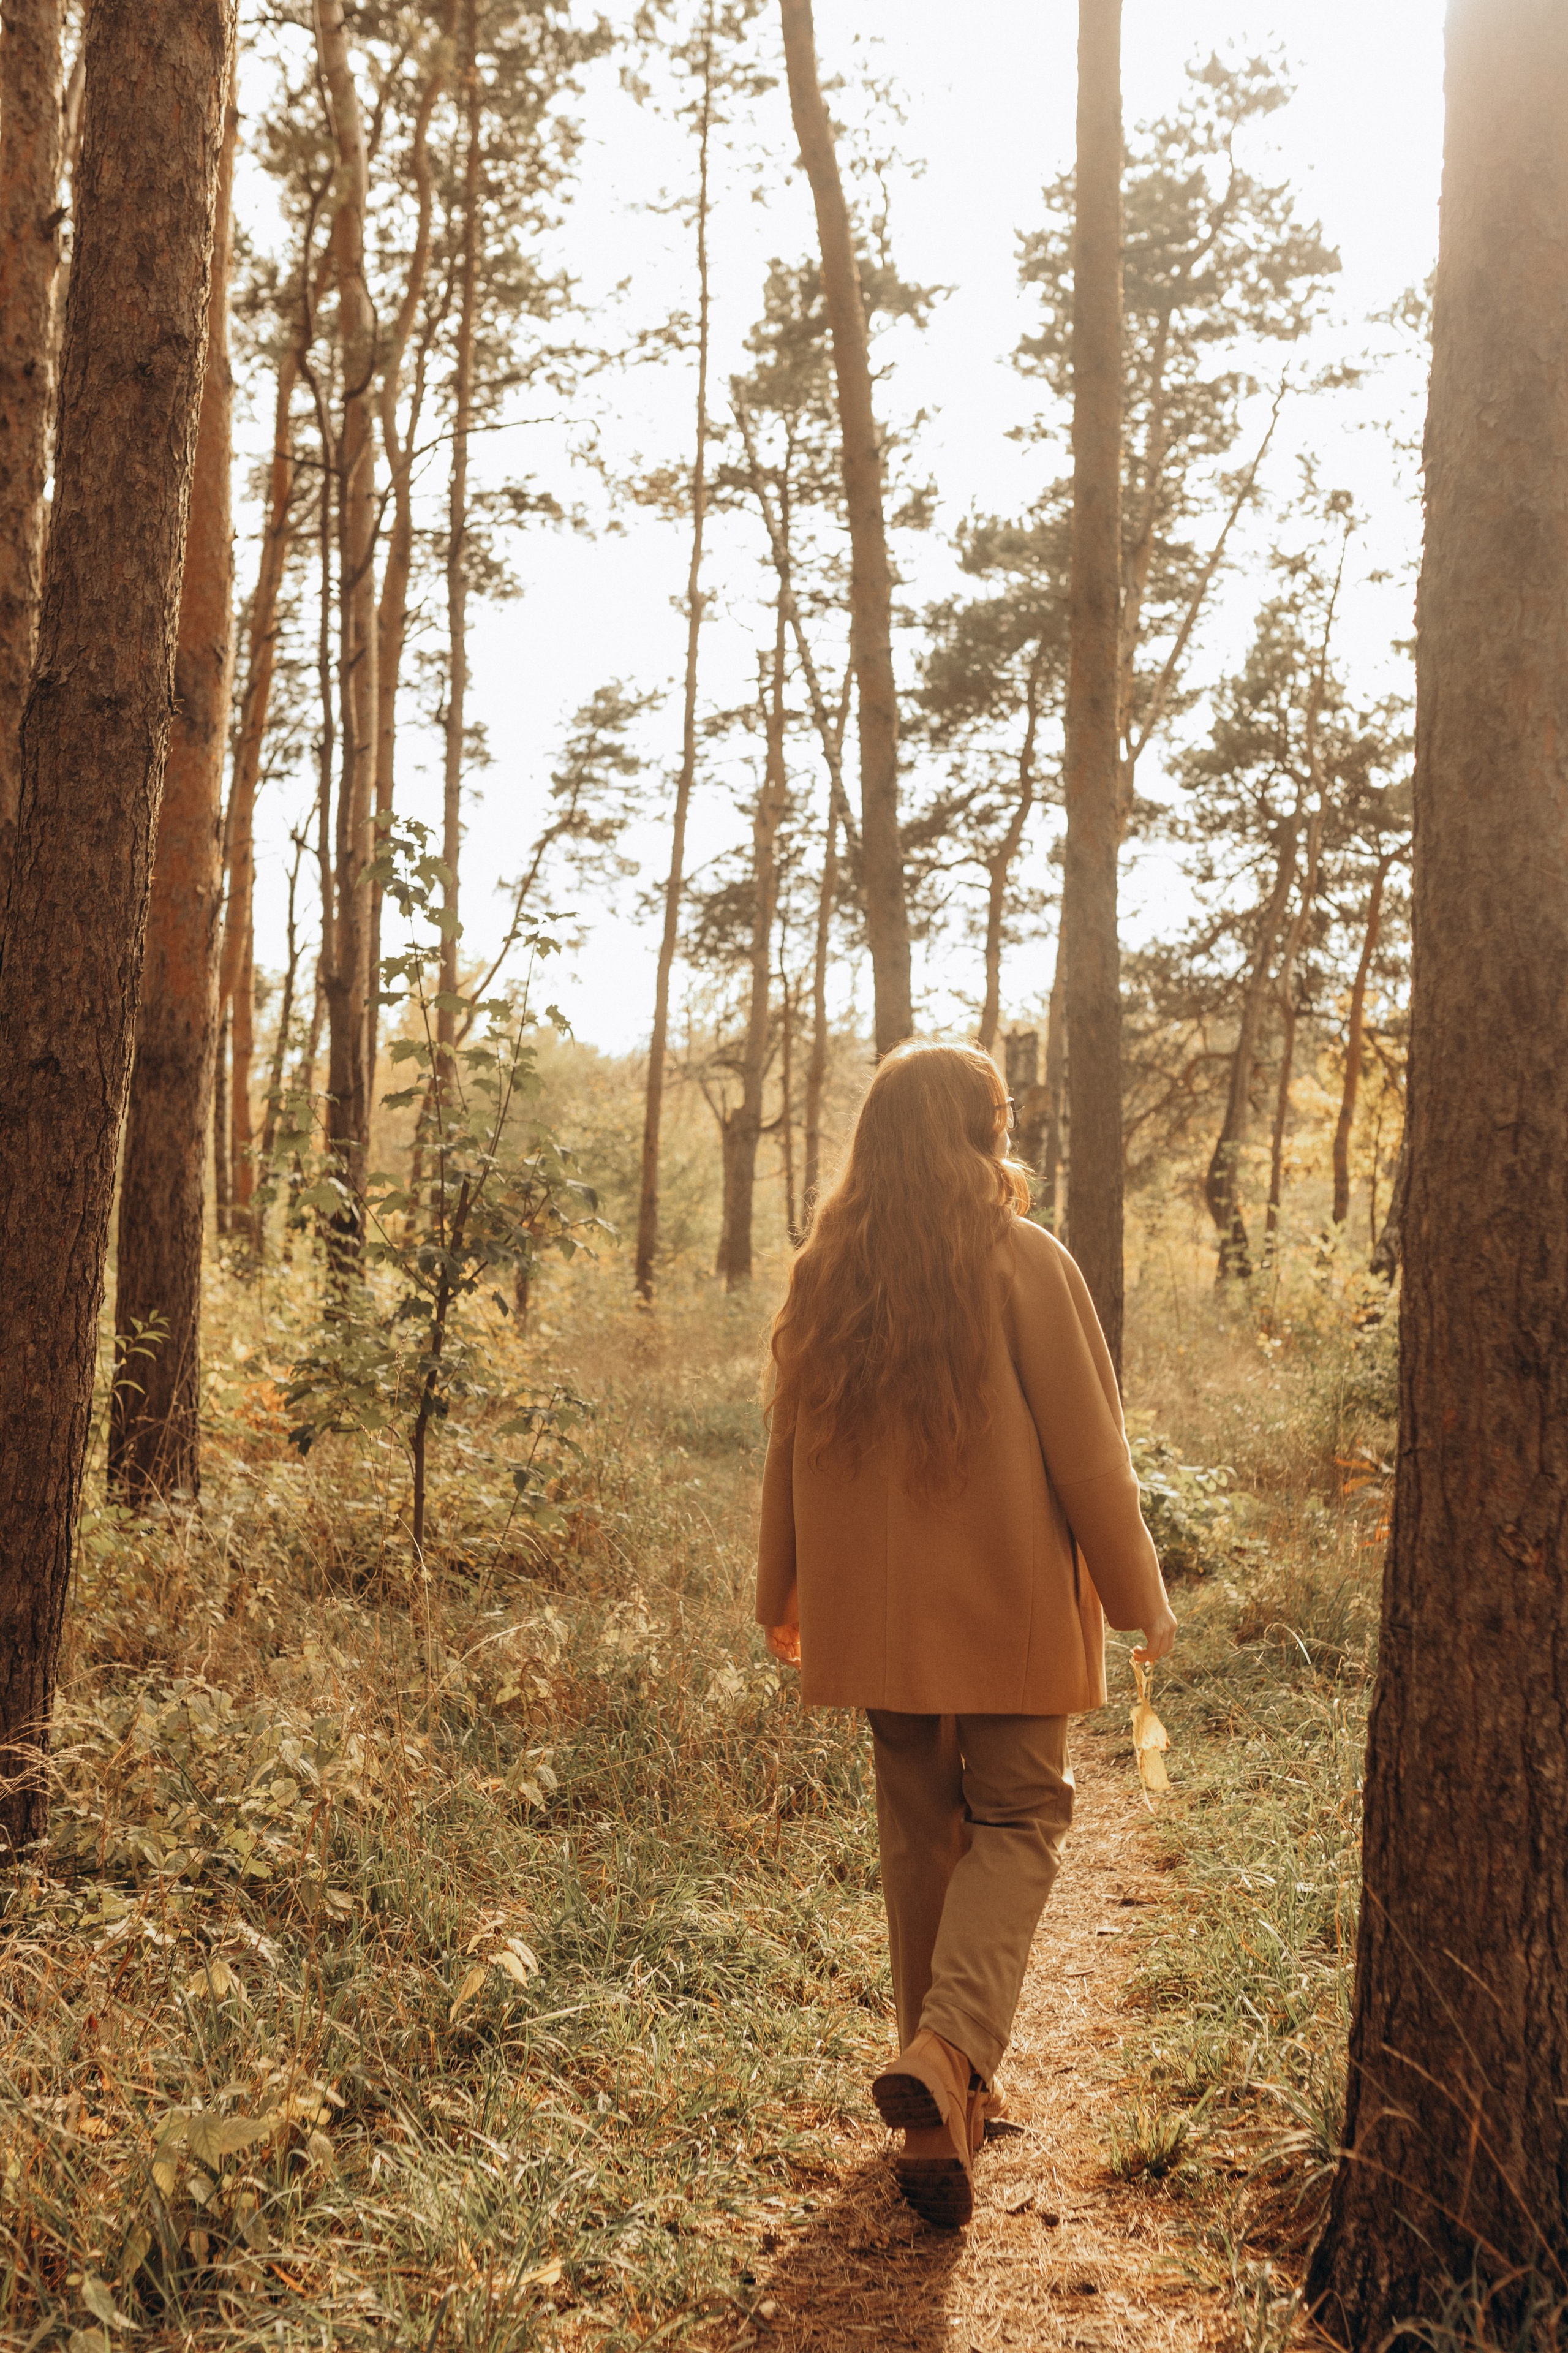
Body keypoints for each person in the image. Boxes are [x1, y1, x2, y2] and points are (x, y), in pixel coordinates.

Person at [755, 1041, 1175, 2230]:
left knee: (915, 1834)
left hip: (880, 1621)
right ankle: (947, 2058)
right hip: (1003, 1606)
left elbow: (785, 1451)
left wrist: (781, 1589)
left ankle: (938, 2104)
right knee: (1020, 1814)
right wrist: (1140, 1592)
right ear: (979, 1132)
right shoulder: (1023, 1260)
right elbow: (1088, 1452)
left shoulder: (826, 1274)